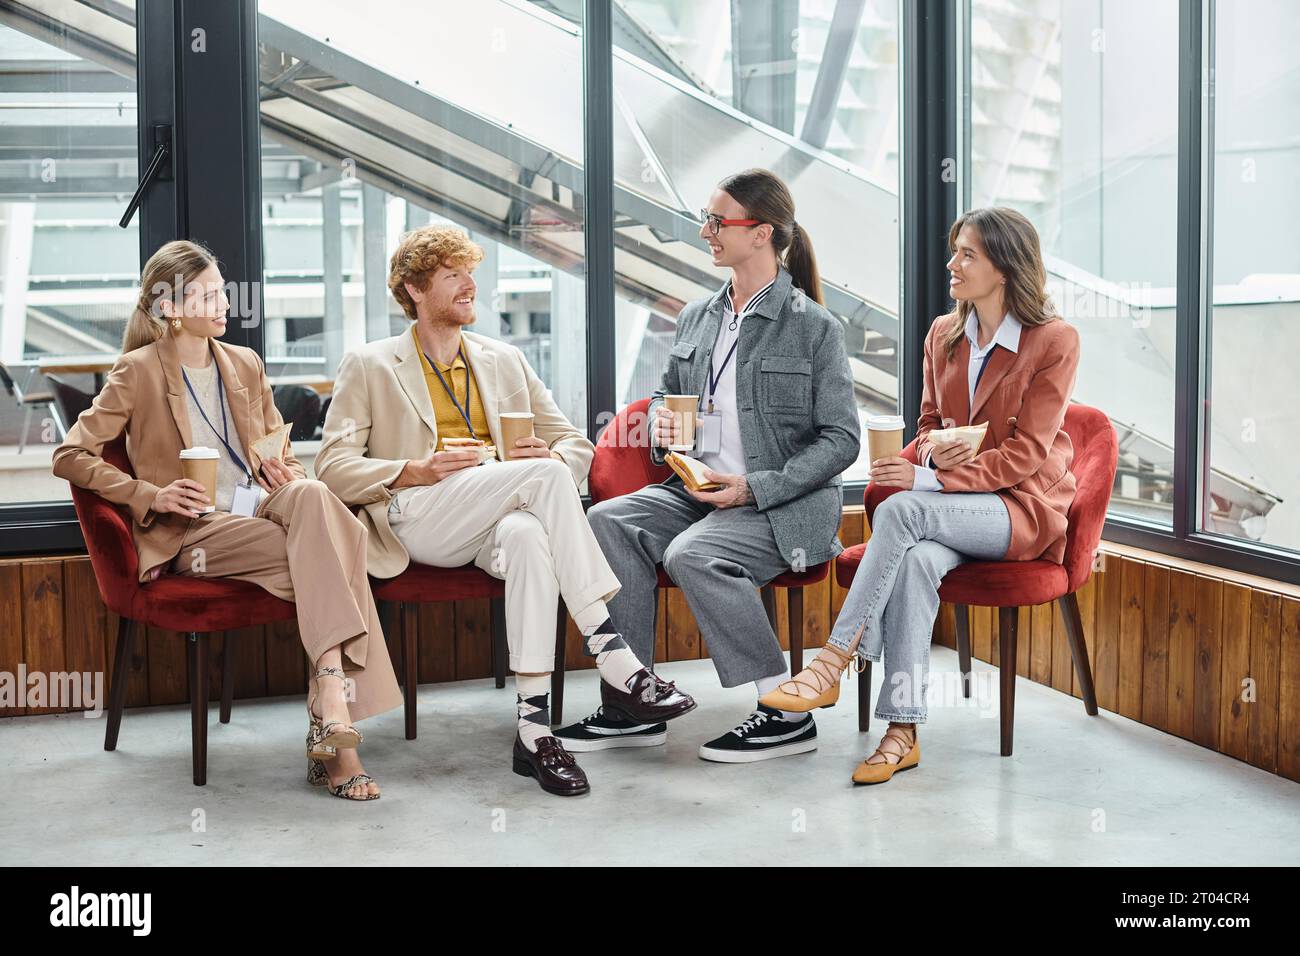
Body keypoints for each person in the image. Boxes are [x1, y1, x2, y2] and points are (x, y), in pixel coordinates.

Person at [315, 226, 695, 798]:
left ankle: (534, 732)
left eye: (471, 273)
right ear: (415, 290)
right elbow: (332, 467)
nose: (471, 286)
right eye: (453, 276)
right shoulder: (369, 364)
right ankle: (612, 653)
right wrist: (415, 469)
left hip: (496, 515)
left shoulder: (505, 359)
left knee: (526, 536)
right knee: (537, 484)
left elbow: (575, 444)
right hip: (417, 515)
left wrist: (548, 456)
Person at [53, 239, 401, 801]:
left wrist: (280, 468)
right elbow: (69, 456)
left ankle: (331, 702)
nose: (225, 303)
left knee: (311, 494)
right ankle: (332, 722)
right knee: (339, 545)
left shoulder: (244, 362)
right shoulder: (136, 372)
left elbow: (273, 444)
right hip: (193, 531)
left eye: (223, 291)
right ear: (169, 307)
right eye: (208, 294)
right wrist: (150, 495)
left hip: (259, 507)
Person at [761, 207, 1080, 784]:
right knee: (911, 562)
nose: (952, 264)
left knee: (906, 508)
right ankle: (901, 731)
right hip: (954, 514)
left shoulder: (1054, 341)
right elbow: (929, 422)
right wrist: (933, 449)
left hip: (1019, 509)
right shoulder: (944, 333)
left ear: (1004, 268)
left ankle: (832, 659)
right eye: (954, 249)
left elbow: (1027, 454)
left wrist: (927, 477)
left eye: (968, 255)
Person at [554, 168, 860, 762]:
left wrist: (753, 487)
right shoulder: (698, 317)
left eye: (719, 222)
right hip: (696, 491)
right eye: (708, 219)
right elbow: (673, 397)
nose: (706, 231)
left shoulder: (814, 328)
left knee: (692, 552)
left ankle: (783, 711)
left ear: (763, 233)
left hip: (781, 505)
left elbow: (842, 440)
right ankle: (631, 704)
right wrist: (668, 421)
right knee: (608, 523)